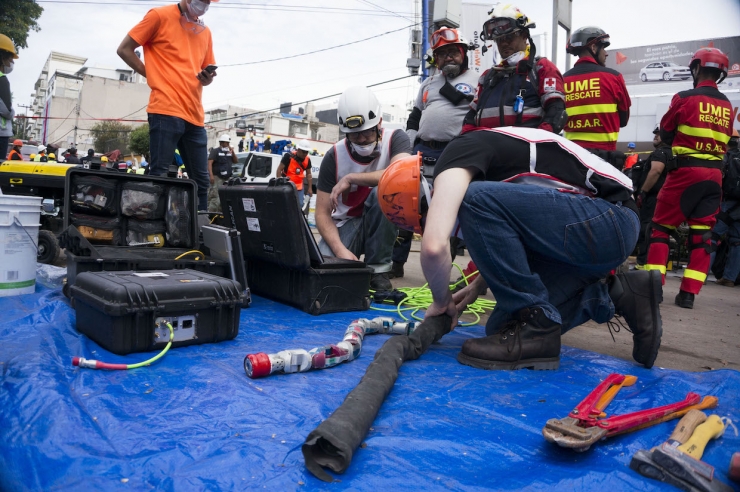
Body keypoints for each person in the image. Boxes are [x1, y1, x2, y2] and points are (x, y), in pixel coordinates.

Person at [378, 128, 663, 370]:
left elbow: (433, 247)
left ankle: (538, 320)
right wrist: (480, 283)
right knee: (504, 326)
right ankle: (618, 295)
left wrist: (442, 303)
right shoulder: (478, 171)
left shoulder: (456, 155)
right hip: (594, 233)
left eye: (425, 221)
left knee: (473, 200)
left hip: (610, 219)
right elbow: (526, 227)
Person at [646, 47, 734, 309]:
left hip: (685, 172)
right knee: (702, 237)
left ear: (695, 68)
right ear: (720, 74)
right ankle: (688, 295)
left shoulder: (684, 97)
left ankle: (653, 289)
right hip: (714, 176)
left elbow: (667, 130)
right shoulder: (727, 105)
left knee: (660, 229)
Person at [391, 27, 480, 279]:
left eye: (453, 52)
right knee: (406, 209)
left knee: (449, 213)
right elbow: (415, 116)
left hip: (455, 154)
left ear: (463, 52)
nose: (448, 58)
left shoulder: (480, 80)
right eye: (442, 54)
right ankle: (396, 263)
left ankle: (444, 273)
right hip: (420, 151)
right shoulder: (427, 83)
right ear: (436, 59)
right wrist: (408, 146)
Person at [117, 0, 218, 211]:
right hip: (165, 108)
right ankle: (156, 231)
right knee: (159, 175)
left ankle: (198, 231)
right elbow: (124, 49)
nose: (205, 5)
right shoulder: (159, 16)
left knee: (201, 182)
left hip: (194, 114)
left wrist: (207, 78)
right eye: (203, 0)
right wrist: (150, 73)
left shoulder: (205, 32)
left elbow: (205, 71)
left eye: (209, 2)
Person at [315, 86, 411, 291]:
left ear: (379, 124)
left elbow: (399, 175)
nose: (361, 139)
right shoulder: (334, 156)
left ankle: (378, 269)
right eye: (354, 134)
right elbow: (322, 213)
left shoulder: (396, 139)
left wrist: (352, 178)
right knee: (322, 273)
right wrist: (340, 251)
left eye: (366, 132)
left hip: (382, 218)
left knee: (384, 190)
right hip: (348, 223)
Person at [464, 4, 566, 133]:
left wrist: (537, 142)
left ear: (524, 35)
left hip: (525, 147)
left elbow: (556, 112)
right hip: (487, 147)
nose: (503, 43)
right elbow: (471, 116)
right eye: (499, 40)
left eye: (509, 37)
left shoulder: (541, 68)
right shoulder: (488, 76)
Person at [563, 26, 631, 169]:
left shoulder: (562, 80)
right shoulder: (614, 77)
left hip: (571, 159)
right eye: (603, 48)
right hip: (604, 162)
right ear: (593, 48)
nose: (606, 53)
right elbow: (623, 121)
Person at [633, 125, 671, 268]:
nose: (655, 136)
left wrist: (643, 192)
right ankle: (657, 264)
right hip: (667, 198)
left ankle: (643, 263)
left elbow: (655, 171)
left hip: (653, 199)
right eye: (655, 133)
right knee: (661, 232)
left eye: (659, 134)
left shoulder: (660, 153)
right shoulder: (675, 154)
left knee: (647, 230)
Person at [711, 128, 740, 286]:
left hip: (727, 203)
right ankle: (729, 278)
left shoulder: (725, 156)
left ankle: (700, 275)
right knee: (737, 241)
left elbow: (717, 176)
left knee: (712, 236)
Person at [276, 138, 313, 208]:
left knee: (299, 205)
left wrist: (310, 188)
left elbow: (309, 174)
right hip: (287, 185)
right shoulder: (288, 156)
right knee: (285, 204)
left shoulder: (307, 160)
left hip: (298, 186)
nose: (305, 154)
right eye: (303, 151)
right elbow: (279, 170)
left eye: (307, 152)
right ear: (298, 149)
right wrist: (279, 184)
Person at [207, 133, 237, 212]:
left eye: (228, 143)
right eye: (226, 143)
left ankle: (220, 216)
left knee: (224, 199)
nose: (227, 145)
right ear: (221, 142)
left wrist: (232, 152)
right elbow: (209, 163)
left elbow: (235, 161)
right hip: (217, 178)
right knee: (215, 198)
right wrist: (211, 176)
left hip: (226, 179)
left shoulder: (229, 152)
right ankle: (210, 215)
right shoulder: (215, 151)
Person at [0, 34, 18, 161]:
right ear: (2, 57)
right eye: (11, 58)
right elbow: (6, 110)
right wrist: (12, 112)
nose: (12, 62)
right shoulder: (2, 79)